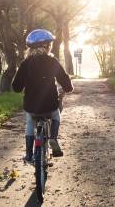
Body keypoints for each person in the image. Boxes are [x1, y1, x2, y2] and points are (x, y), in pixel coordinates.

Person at [12, 29, 73, 162]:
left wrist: (22, 86)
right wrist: (68, 88)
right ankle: (53, 138)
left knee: (30, 121)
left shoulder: (25, 64)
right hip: (50, 105)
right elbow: (64, 78)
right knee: (56, 115)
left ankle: (29, 154)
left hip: (31, 106)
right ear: (47, 46)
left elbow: (16, 86)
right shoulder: (53, 62)